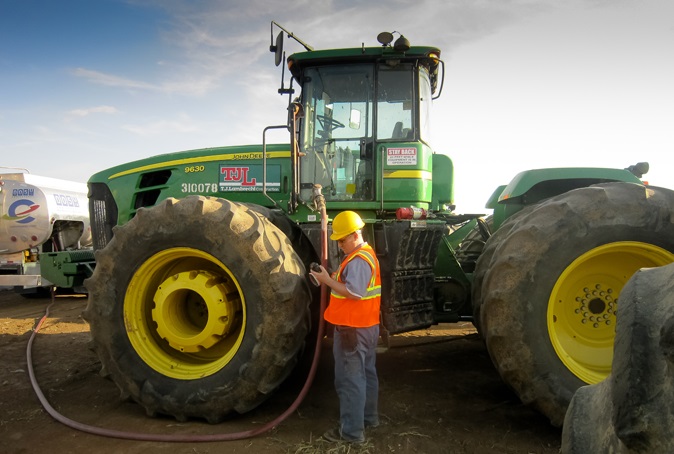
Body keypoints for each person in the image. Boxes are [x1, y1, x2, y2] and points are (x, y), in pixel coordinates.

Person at [310, 210, 382, 444]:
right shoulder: (364, 255)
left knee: (351, 380)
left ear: (354, 234)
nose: (339, 244)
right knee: (366, 375)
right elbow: (350, 284)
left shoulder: (359, 260)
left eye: (342, 239)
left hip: (352, 329)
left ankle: (351, 433)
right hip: (366, 327)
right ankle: (368, 419)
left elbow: (355, 292)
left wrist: (327, 281)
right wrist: (331, 276)